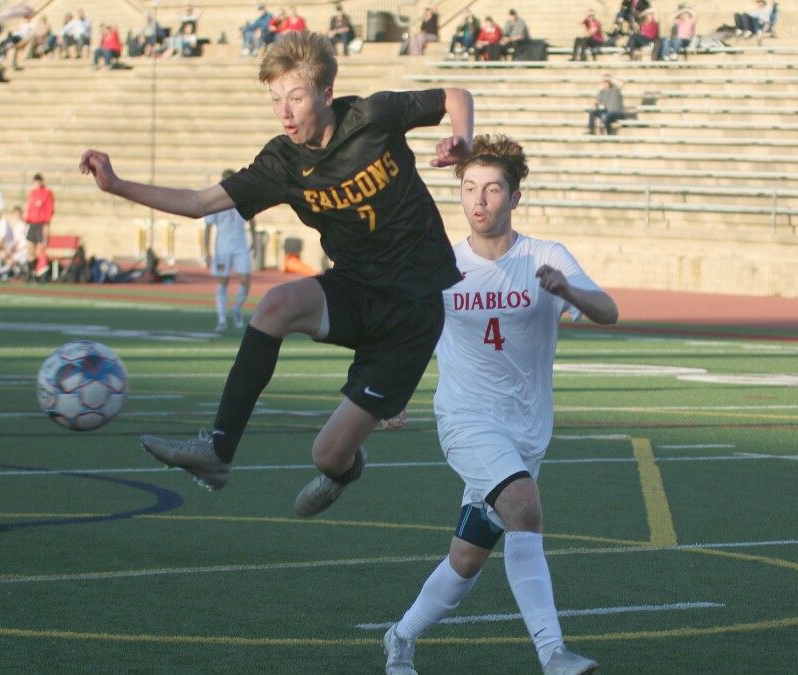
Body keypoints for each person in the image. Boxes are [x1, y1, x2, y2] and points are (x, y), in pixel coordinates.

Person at [79, 32, 475, 512]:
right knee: (275, 305)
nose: (284, 112)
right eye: (274, 99)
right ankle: (218, 453)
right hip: (355, 289)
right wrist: (116, 185)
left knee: (327, 455)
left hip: (412, 310)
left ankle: (345, 469)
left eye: (296, 98)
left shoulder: (373, 115)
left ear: (326, 94)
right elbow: (200, 202)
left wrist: (463, 141)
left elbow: (456, 96)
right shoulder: (283, 162)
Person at [381, 134, 616, 675]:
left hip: (527, 430)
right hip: (464, 420)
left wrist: (569, 292)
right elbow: (411, 334)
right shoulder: (440, 264)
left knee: (466, 559)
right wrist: (394, 395)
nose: (478, 200)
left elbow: (608, 310)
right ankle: (552, 652)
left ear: (514, 196)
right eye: (469, 188)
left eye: (491, 189)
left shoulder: (545, 257)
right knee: (524, 506)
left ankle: (400, 636)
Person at [204, 169, 255, 332]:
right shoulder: (216, 202)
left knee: (246, 281)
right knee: (223, 281)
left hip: (241, 247)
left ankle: (236, 308)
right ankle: (221, 318)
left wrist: (254, 240)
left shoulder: (243, 198)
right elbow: (208, 227)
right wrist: (207, 251)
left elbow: (252, 219)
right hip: (222, 249)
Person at [24, 173, 54, 267]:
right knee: (30, 247)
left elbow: (49, 209)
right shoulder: (32, 193)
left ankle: (40, 268)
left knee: (41, 247)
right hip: (32, 223)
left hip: (41, 223)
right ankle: (31, 268)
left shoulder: (47, 193)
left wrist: (46, 224)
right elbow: (29, 208)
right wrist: (27, 221)